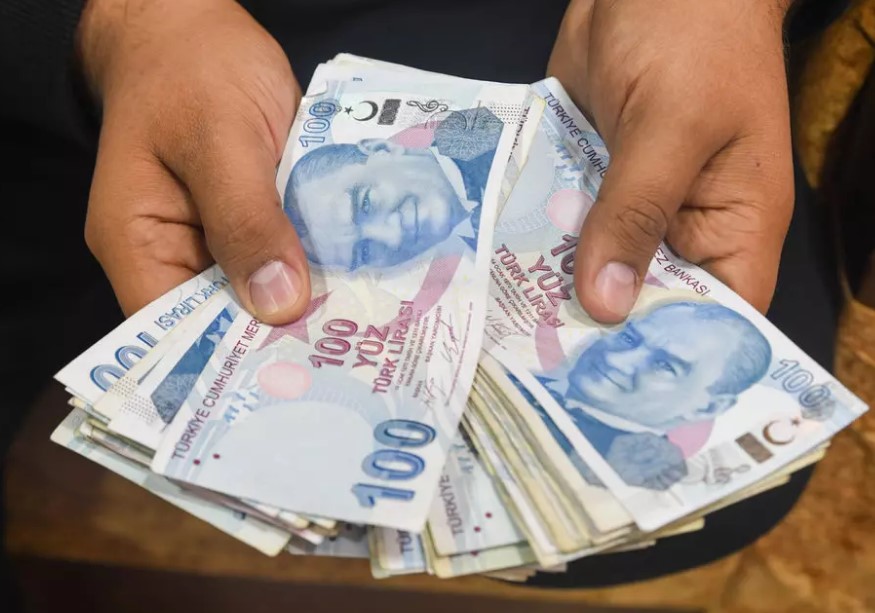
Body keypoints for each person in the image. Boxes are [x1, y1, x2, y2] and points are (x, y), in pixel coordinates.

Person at [0, 0, 851, 594]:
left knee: (676, 503)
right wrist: (109, 22)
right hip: (76, 84)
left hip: (562, 39)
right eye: (365, 238)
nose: (377, 233)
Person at [541, 301, 771, 490]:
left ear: (707, 408)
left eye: (665, 365)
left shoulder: (635, 477)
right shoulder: (534, 380)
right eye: (629, 338)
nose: (615, 359)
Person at [284, 107, 501, 271]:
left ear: (381, 148)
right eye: (365, 251)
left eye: (366, 204)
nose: (393, 237)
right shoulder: (485, 261)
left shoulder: (486, 128)